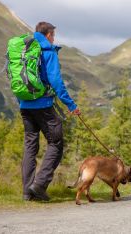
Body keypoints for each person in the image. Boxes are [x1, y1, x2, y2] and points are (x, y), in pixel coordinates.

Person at [20, 22, 81, 201]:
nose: (54, 38)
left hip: (25, 106)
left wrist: (24, 101)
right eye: (53, 35)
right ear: (47, 35)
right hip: (43, 106)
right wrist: (71, 105)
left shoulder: (25, 50)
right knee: (56, 143)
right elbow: (56, 82)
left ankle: (27, 192)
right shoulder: (48, 51)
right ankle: (39, 186)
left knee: (30, 147)